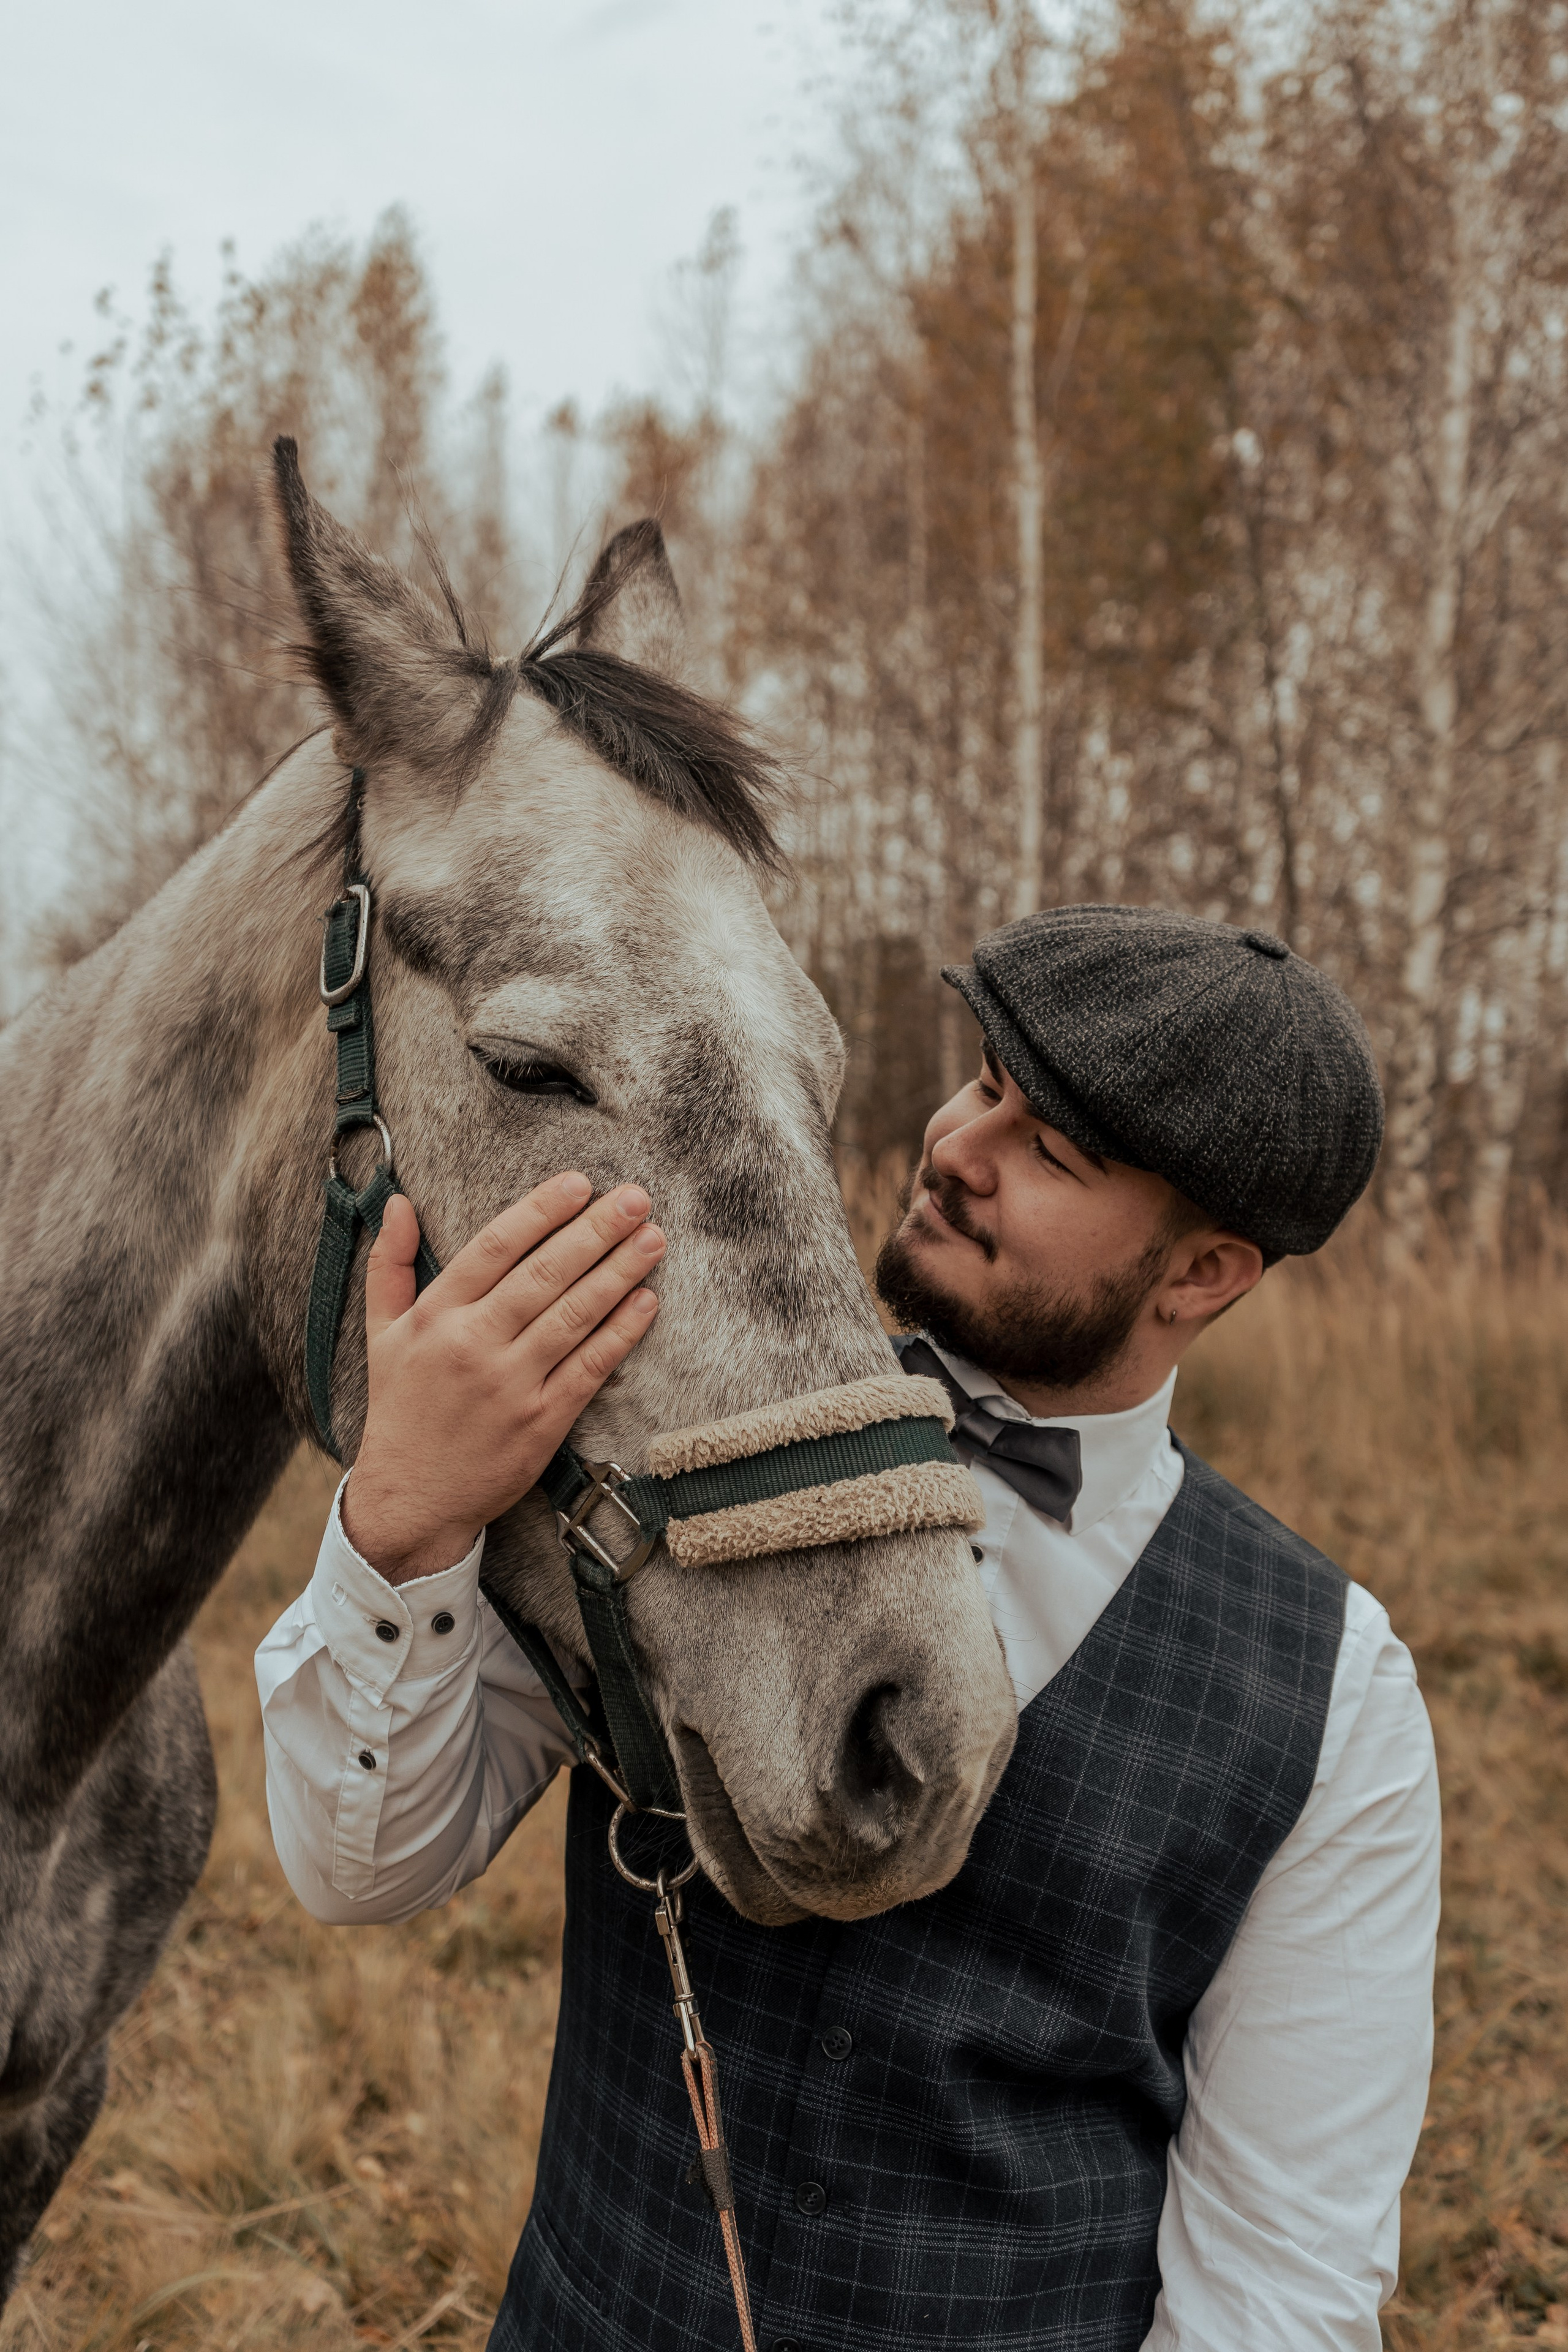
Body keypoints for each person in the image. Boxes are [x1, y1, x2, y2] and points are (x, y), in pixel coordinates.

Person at [257, 904, 1440, 2351]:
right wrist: (405, 1516)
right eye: (986, 1081)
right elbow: (362, 1867)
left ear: (1200, 1275)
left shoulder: (1337, 1694)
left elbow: (1281, 2275)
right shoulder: (658, 1432)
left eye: (1049, 1151)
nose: (956, 1144)